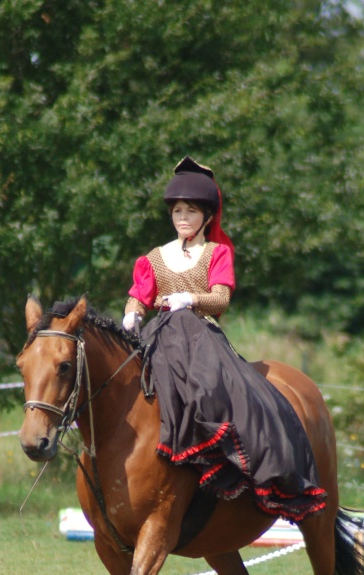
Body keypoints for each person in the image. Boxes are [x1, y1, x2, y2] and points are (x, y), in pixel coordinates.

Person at [122, 156, 326, 524]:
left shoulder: (217, 253)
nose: (182, 217)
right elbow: (140, 293)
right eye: (177, 211)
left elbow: (221, 298)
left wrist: (192, 299)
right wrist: (132, 312)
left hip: (201, 334)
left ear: (207, 216)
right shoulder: (155, 256)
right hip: (161, 332)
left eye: (190, 211)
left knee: (211, 385)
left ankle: (226, 458)